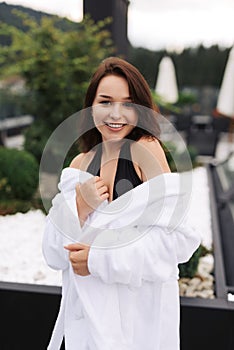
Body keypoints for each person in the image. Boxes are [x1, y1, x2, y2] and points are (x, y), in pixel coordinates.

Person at [43, 57, 201, 350]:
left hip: (136, 324)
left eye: (128, 103)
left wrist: (98, 259)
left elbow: (179, 241)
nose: (116, 114)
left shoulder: (146, 152)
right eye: (105, 102)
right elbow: (52, 252)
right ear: (91, 106)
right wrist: (79, 206)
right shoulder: (80, 164)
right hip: (87, 325)